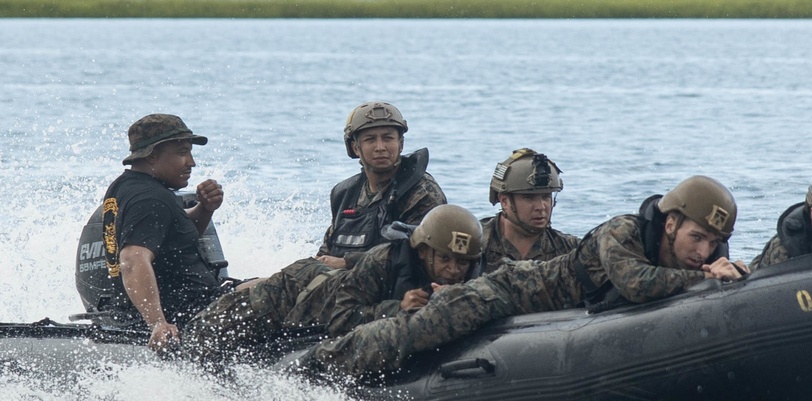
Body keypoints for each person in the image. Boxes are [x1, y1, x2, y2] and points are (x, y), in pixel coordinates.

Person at [289, 175, 746, 381]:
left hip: (564, 316)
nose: (704, 252)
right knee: (427, 325)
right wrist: (704, 280)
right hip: (514, 290)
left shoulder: (700, 260)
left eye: (712, 244)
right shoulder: (622, 231)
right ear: (670, 224)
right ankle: (327, 361)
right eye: (697, 238)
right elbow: (636, 285)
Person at [181, 204, 483, 361]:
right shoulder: (384, 261)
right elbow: (342, 317)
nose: (454, 270)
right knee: (209, 330)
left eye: (462, 262)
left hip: (324, 291)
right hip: (300, 290)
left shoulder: (469, 271)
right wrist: (395, 308)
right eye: (445, 260)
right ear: (424, 251)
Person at [100, 113, 231, 350]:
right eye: (182, 153)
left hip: (186, 305)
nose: (191, 162)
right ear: (152, 155)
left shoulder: (127, 186)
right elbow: (132, 258)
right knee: (301, 281)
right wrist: (158, 324)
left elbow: (172, 236)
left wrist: (205, 208)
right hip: (193, 312)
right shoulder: (150, 199)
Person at [316, 101, 447, 270]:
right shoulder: (345, 194)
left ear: (401, 144)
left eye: (388, 138)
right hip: (341, 285)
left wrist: (347, 263)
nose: (380, 147)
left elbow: (417, 255)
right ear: (356, 148)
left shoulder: (422, 192)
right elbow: (326, 251)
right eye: (370, 140)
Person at [481, 148, 579, 271]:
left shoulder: (570, 250)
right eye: (529, 198)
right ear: (504, 201)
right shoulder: (476, 243)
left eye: (546, 197)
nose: (541, 207)